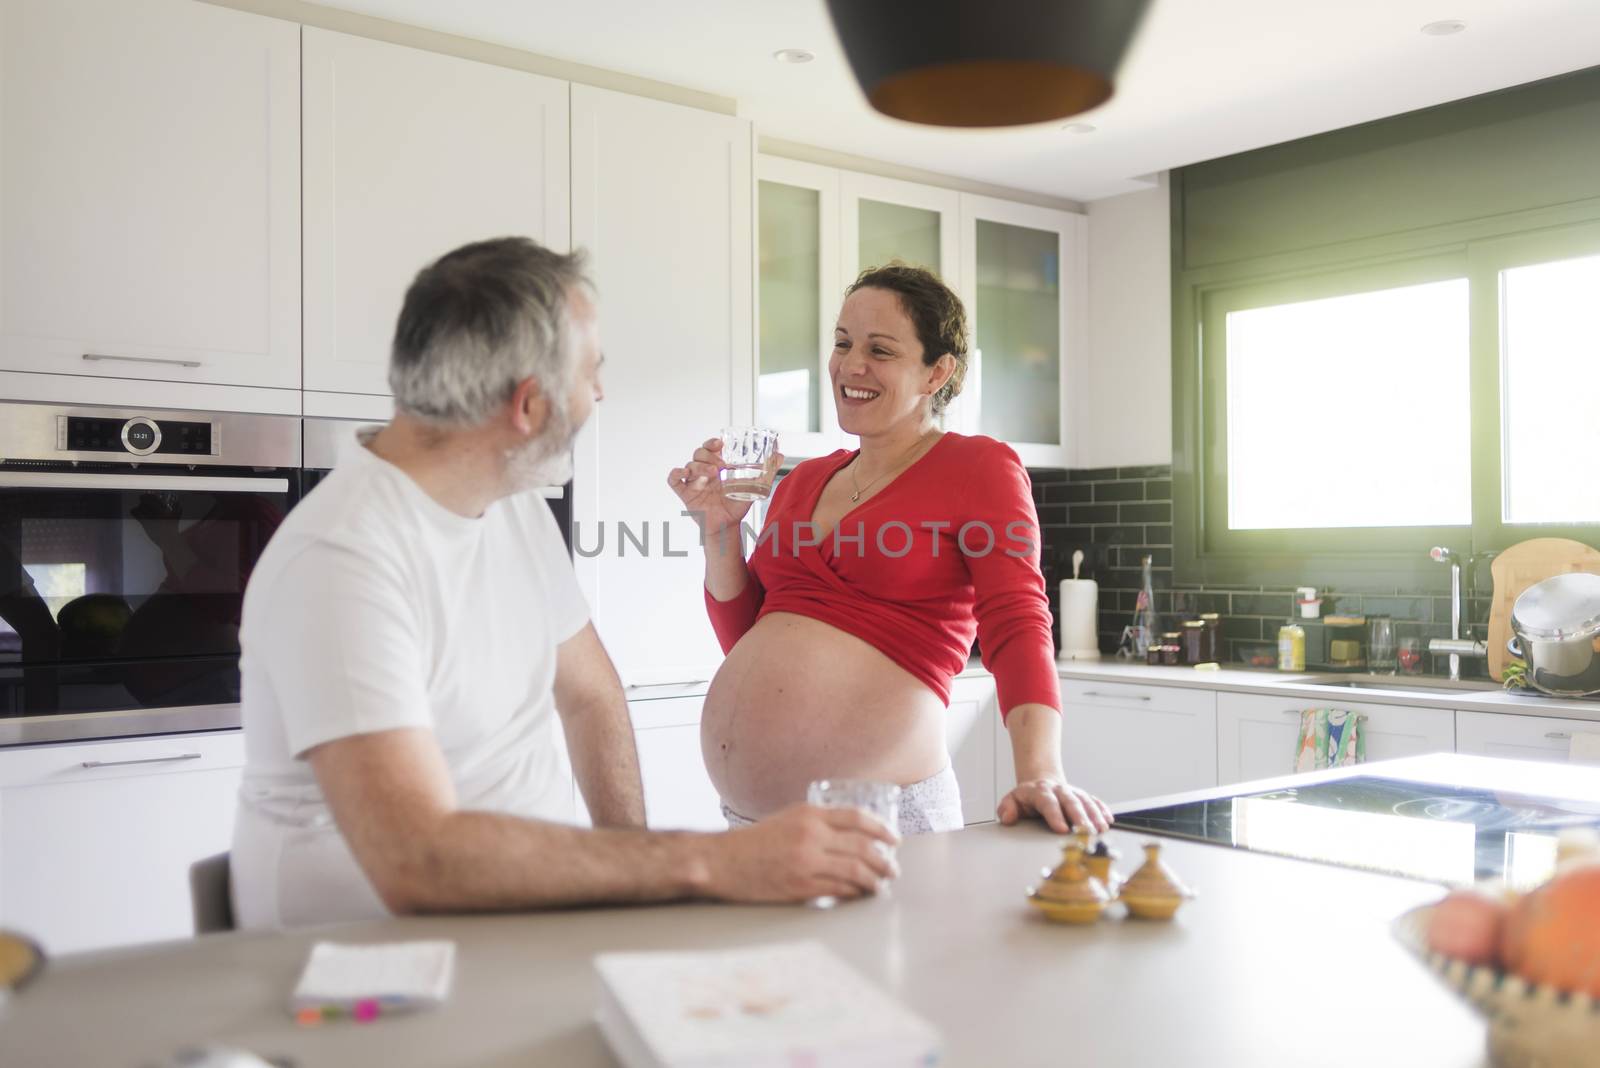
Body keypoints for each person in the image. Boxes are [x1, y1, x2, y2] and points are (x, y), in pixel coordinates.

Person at [231, 238, 897, 929]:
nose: (600, 393)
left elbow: (590, 696)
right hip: (363, 971)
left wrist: (635, 878)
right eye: (591, 373)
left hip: (524, 924)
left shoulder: (510, 504)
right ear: (529, 405)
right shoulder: (343, 560)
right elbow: (418, 861)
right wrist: (709, 863)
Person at [668, 263, 1113, 837]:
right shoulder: (803, 481)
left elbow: (1018, 622)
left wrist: (1042, 771)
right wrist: (719, 531)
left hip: (885, 822)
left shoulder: (978, 467)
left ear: (937, 372)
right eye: (842, 343)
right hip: (754, 825)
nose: (852, 365)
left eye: (881, 350)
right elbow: (749, 639)